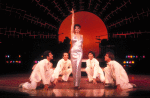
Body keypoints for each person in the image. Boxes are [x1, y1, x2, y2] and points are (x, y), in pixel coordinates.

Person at [70, 8, 83, 89]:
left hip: (80, 52)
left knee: (78, 67)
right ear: (74, 29)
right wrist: (73, 14)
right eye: (75, 28)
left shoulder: (82, 36)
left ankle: (78, 84)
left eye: (78, 28)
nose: (77, 29)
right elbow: (72, 23)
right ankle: (75, 83)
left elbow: (82, 45)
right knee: (74, 67)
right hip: (73, 52)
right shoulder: (72, 34)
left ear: (80, 29)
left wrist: (82, 52)